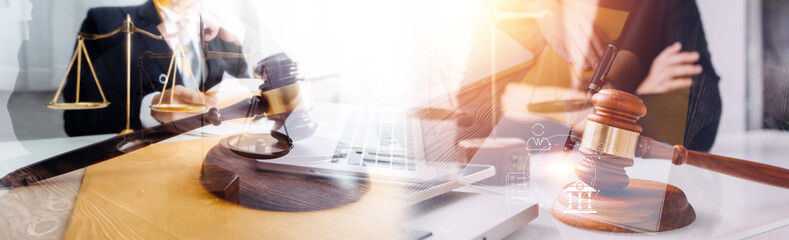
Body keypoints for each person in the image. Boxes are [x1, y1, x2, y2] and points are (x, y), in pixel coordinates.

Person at [455, 0, 721, 153]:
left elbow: (697, 133)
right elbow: (470, 126)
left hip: (610, 194)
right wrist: (541, 11)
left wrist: (630, 89)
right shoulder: (510, 11)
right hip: (513, 185)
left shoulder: (669, 7)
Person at [62, 0, 248, 136]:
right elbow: (77, 121)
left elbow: (250, 97)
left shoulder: (222, 30)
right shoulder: (104, 22)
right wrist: (149, 108)